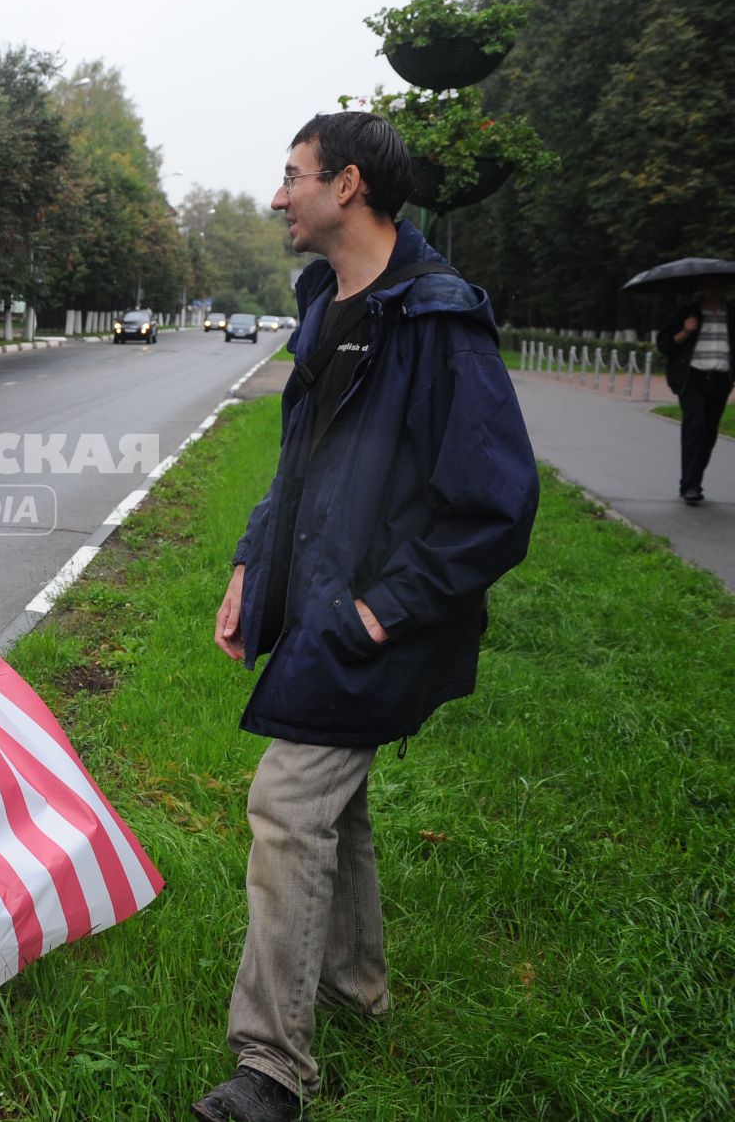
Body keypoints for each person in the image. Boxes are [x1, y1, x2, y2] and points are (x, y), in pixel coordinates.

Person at [198, 112, 539, 1122]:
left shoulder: (436, 318)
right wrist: (249, 561)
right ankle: (357, 988)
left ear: (348, 185)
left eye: (293, 175)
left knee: (288, 805)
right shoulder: (326, 304)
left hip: (377, 616)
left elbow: (499, 503)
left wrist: (386, 608)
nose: (278, 195)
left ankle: (271, 1068)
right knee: (331, 807)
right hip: (314, 601)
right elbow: (297, 462)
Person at [655, 279, 730, 505]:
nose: (715, 289)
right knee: (695, 426)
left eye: (718, 285)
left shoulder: (731, 313)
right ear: (703, 289)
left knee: (709, 433)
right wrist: (685, 331)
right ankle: (690, 485)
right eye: (710, 286)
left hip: (720, 380)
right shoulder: (688, 312)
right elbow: (664, 345)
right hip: (693, 380)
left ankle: (693, 480)